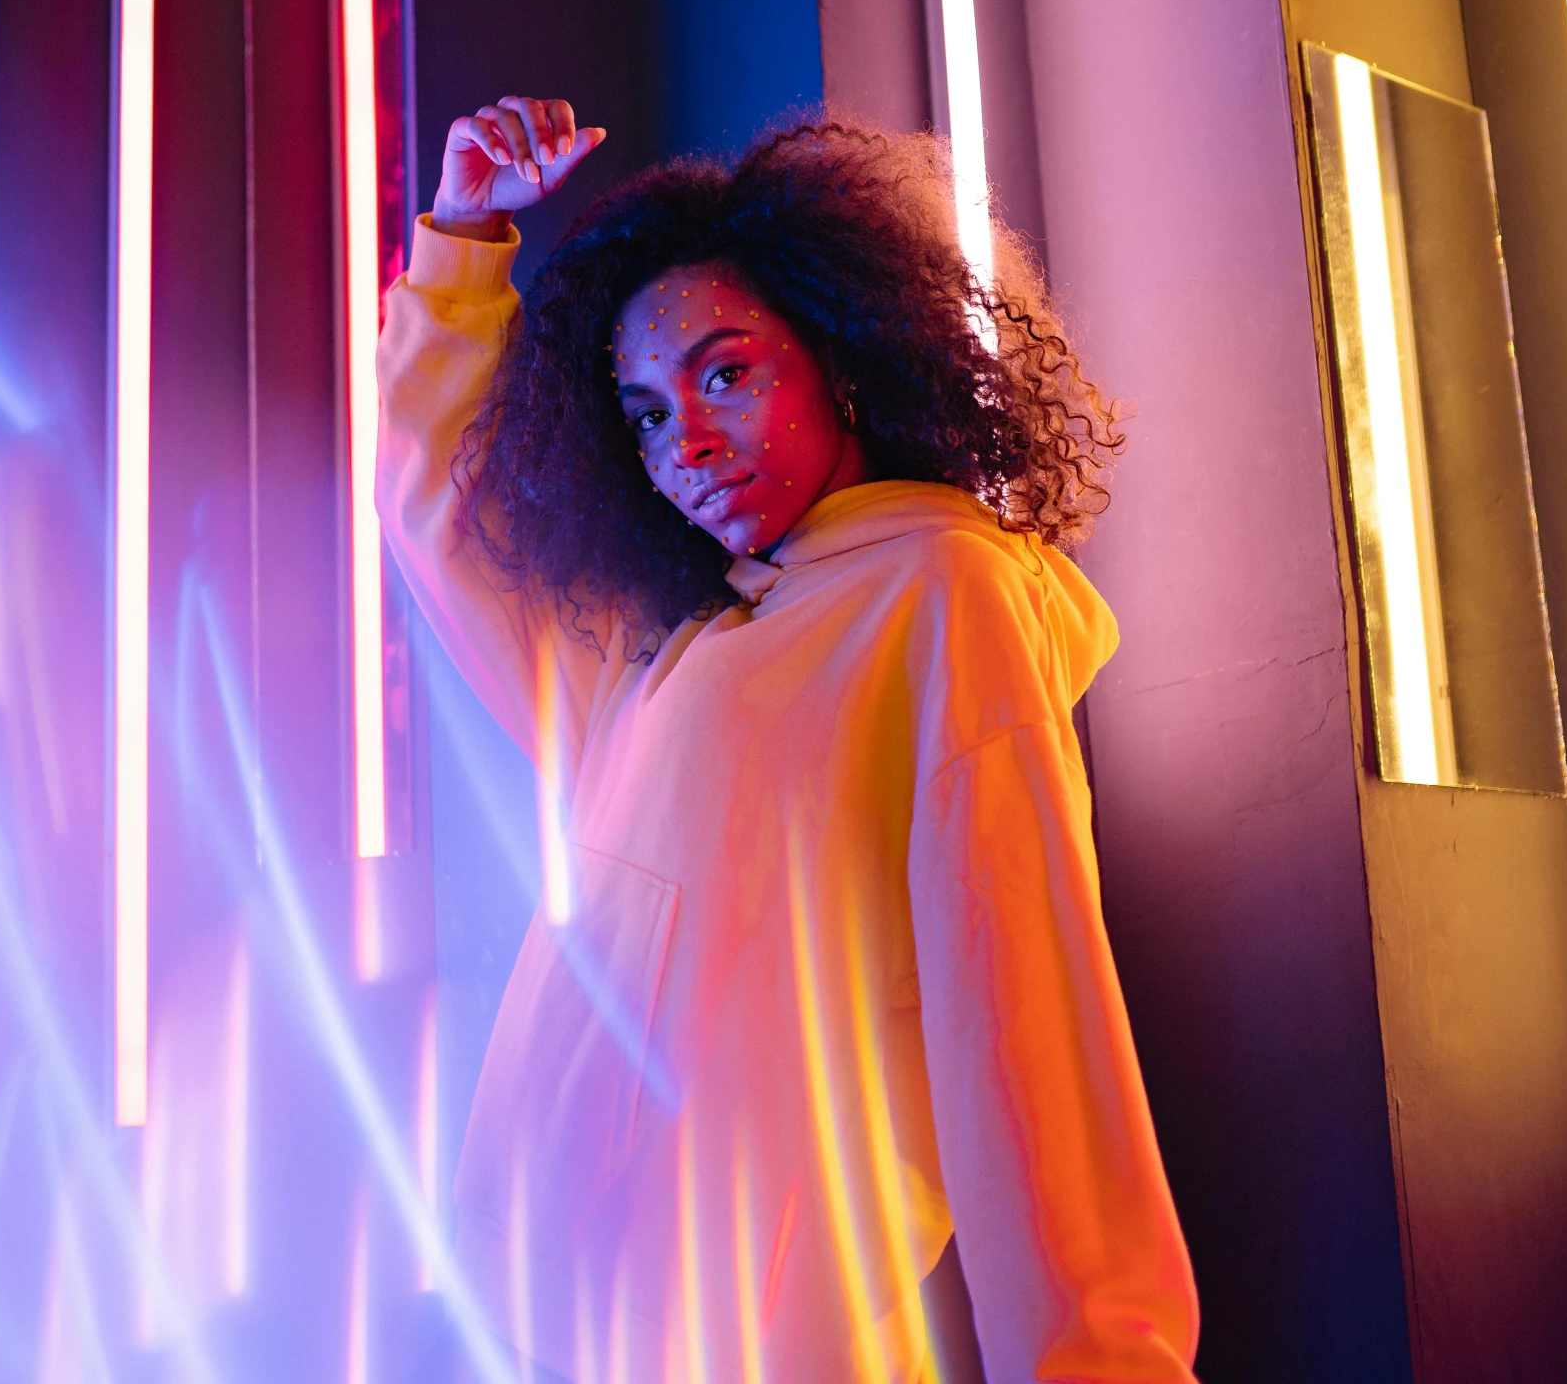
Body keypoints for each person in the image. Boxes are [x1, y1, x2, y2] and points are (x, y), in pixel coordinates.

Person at [377, 95, 1198, 1383]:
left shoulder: (944, 594)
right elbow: (442, 520)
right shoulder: (670, 639)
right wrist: (466, 239)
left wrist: (1103, 1357)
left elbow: (1026, 1010)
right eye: (644, 412)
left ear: (843, 357)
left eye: (725, 372)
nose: (687, 440)